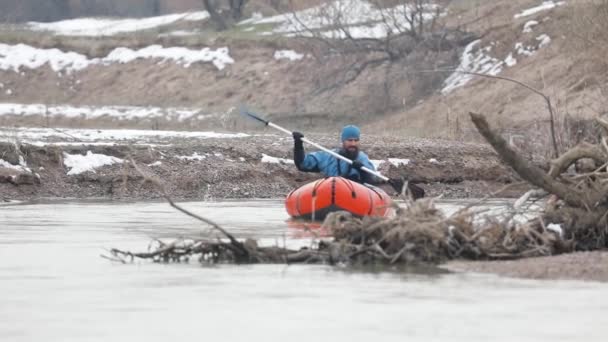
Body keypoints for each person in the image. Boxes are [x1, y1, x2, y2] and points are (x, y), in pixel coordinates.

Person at [292, 125, 424, 199]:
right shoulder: (328, 156)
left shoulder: (362, 158)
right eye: (349, 140)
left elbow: (372, 181)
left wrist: (360, 169)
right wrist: (298, 144)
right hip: (330, 193)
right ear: (343, 141)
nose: (353, 144)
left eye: (356, 140)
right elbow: (302, 164)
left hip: (356, 195)